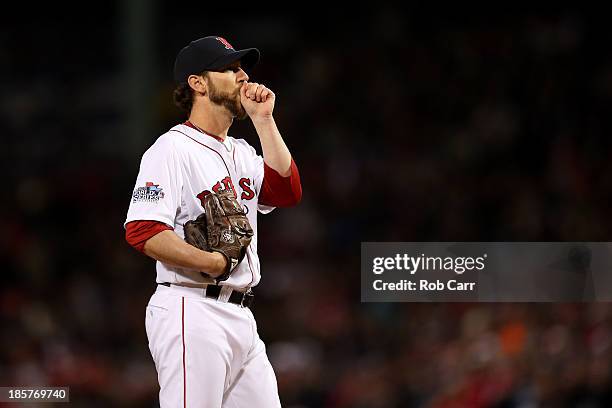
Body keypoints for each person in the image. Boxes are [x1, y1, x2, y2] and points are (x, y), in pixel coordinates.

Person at [123, 36, 302, 407]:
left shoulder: (240, 151)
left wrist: (264, 121)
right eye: (229, 68)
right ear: (197, 82)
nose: (242, 76)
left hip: (241, 317)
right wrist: (213, 262)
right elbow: (142, 231)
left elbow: (286, 191)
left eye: (242, 67)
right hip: (191, 309)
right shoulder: (170, 149)